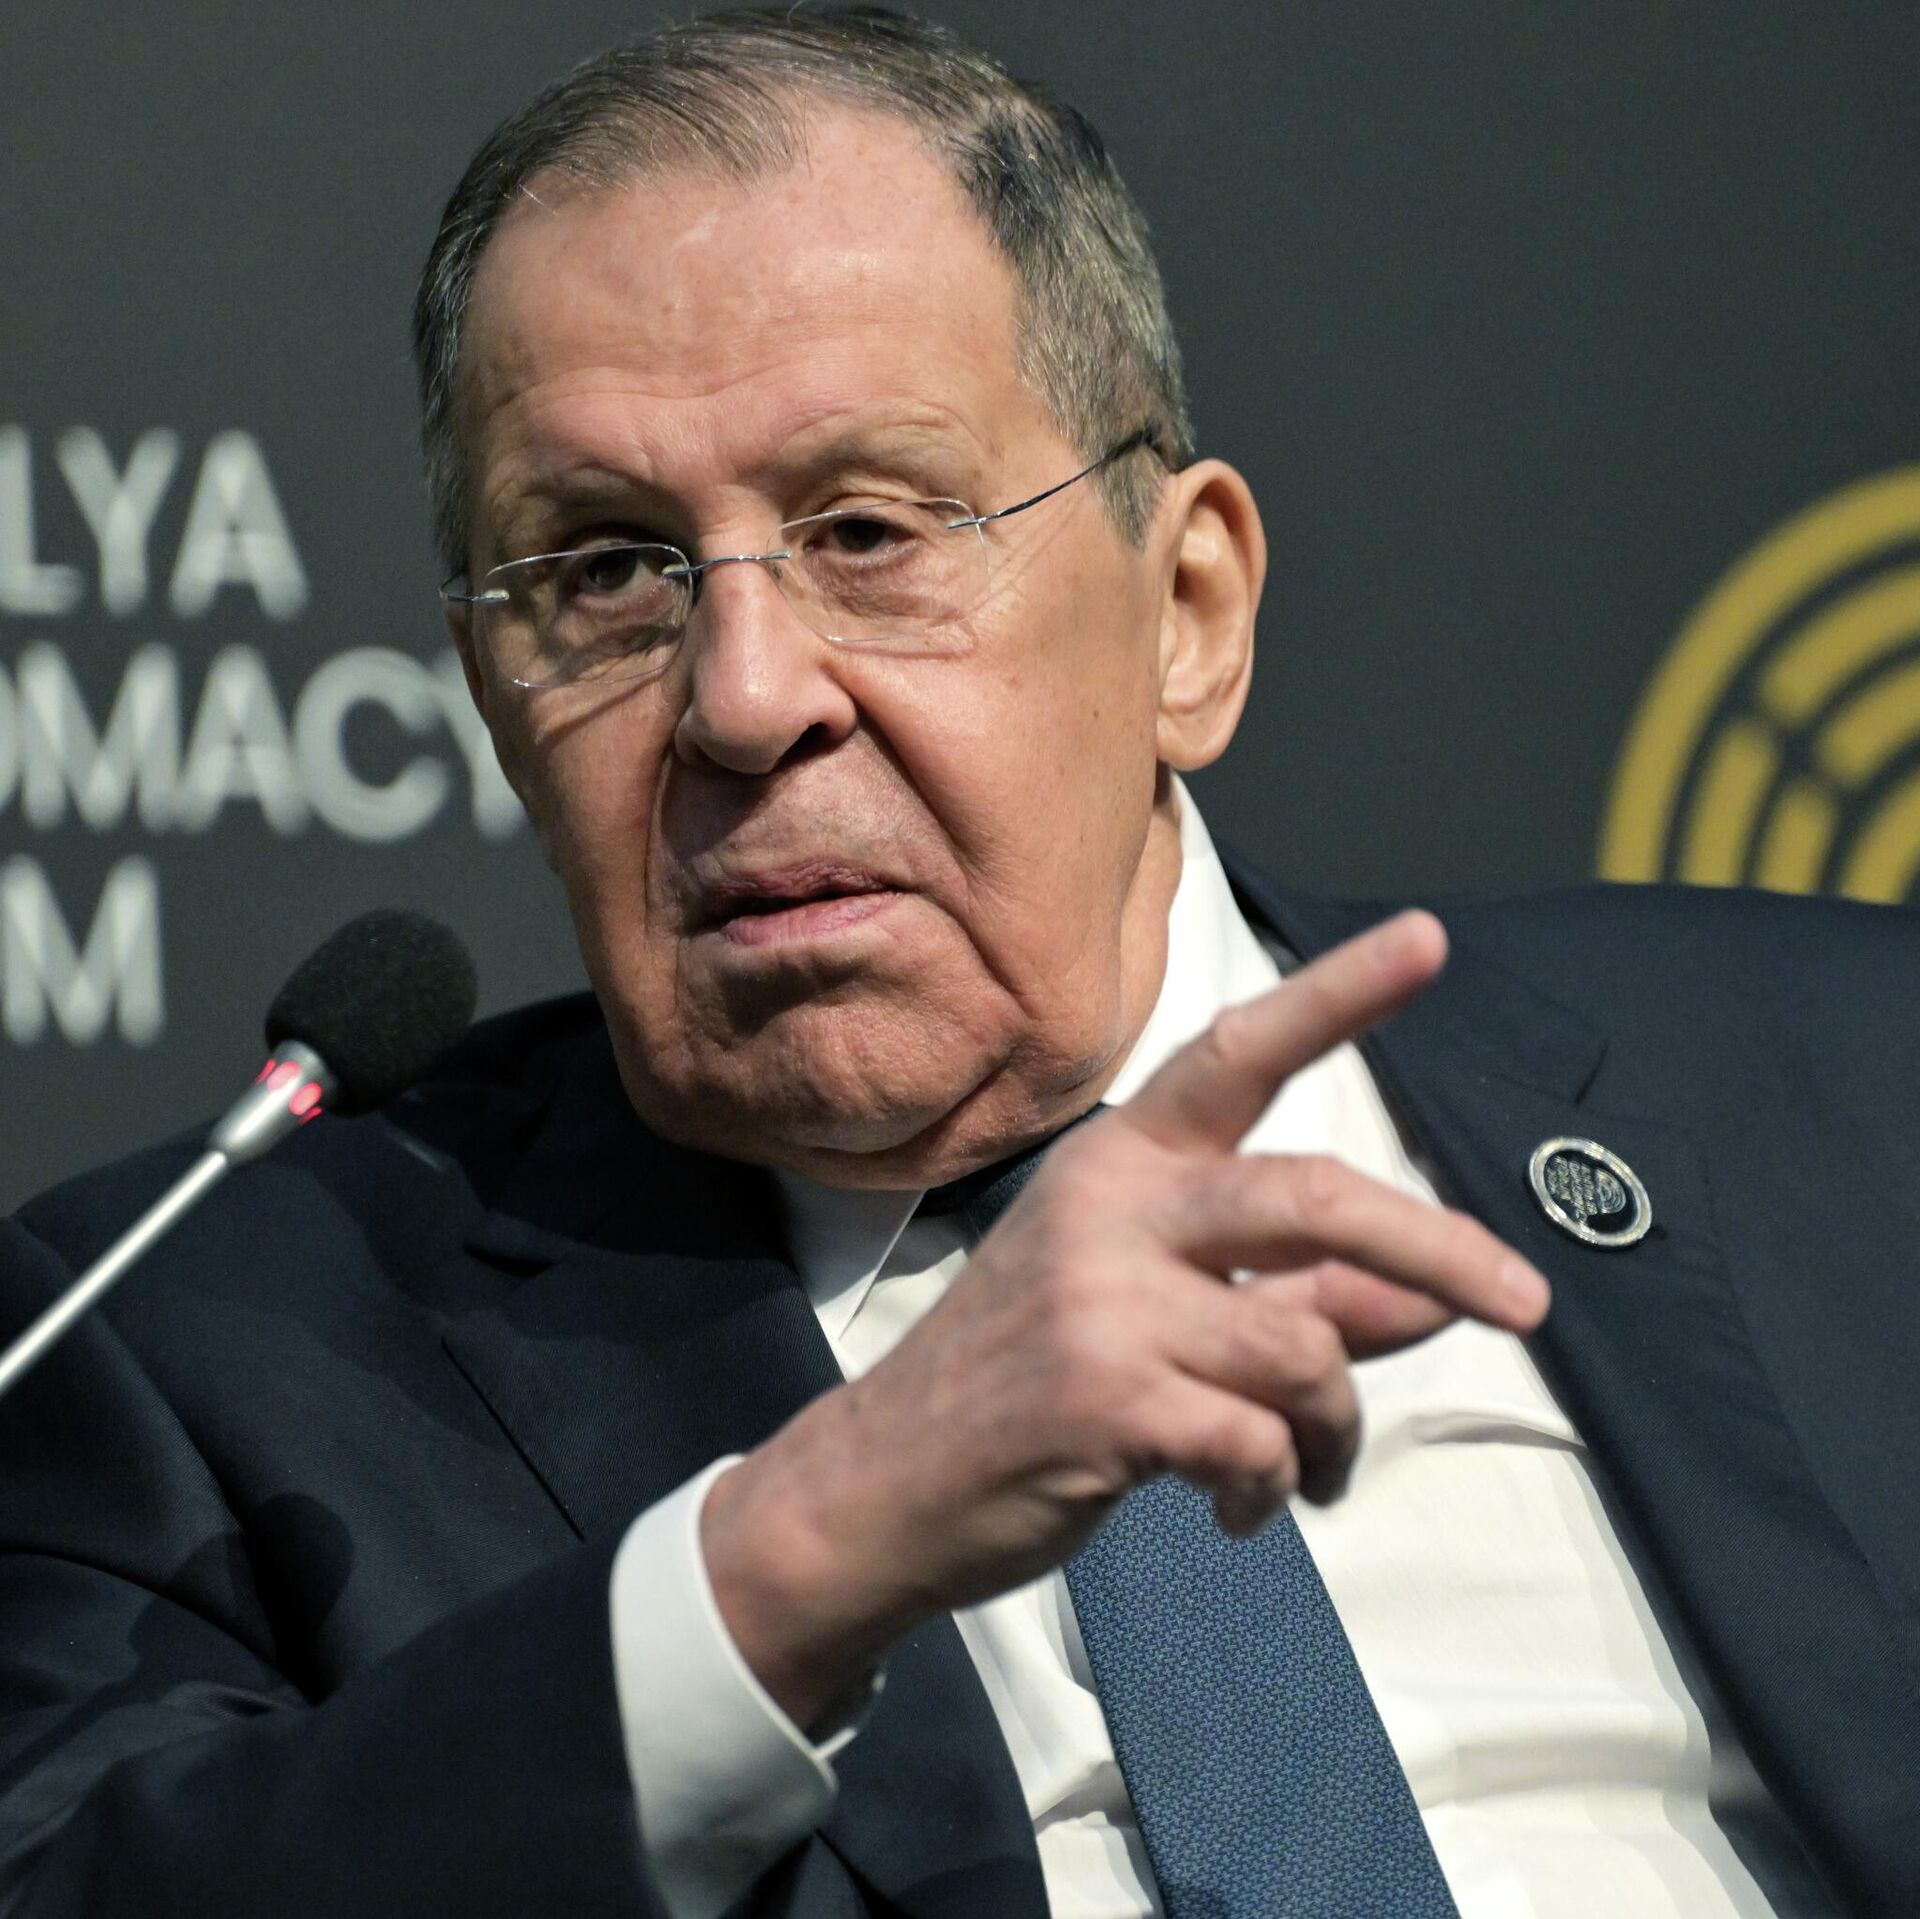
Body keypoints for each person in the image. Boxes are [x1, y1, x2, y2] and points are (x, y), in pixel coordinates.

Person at [0, 9, 1914, 1916]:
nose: (745, 700)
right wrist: (799, 1551)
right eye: (605, 571)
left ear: (1188, 612)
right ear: (494, 698)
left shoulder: (1848, 1082)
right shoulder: (198, 1365)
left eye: (866, 530)